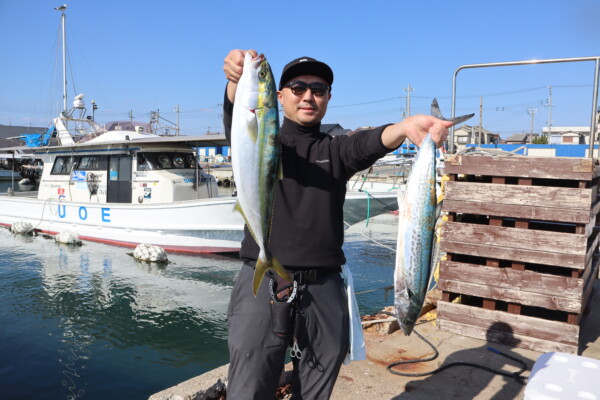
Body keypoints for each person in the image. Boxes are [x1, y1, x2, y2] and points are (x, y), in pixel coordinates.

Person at [222, 49, 455, 400]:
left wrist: (405, 128)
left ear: (329, 98)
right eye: (298, 87)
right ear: (279, 95)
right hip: (264, 280)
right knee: (249, 385)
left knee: (318, 385)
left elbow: (369, 142)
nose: (308, 96)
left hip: (324, 285)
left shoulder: (335, 150)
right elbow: (239, 118)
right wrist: (235, 82)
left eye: (318, 89)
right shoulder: (259, 137)